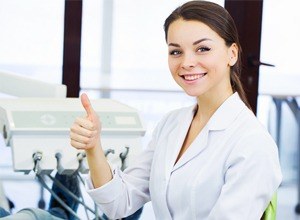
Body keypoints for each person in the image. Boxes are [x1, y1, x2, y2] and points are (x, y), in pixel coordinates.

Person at [69, 1, 282, 219]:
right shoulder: (171, 124)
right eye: (176, 51)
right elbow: (119, 203)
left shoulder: (253, 143)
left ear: (232, 54)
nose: (187, 62)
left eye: (203, 49)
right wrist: (93, 146)